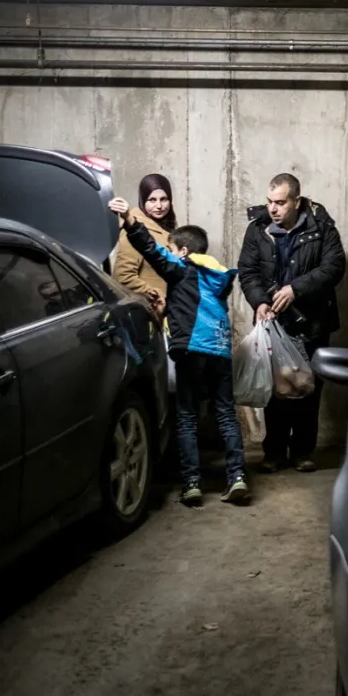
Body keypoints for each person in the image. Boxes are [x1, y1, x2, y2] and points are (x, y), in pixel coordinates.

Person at [109, 197, 250, 506]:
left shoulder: (181, 269)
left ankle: (192, 484)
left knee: (186, 417)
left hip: (191, 349)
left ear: (184, 252)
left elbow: (150, 248)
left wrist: (131, 221)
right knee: (225, 413)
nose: (169, 253)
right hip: (219, 350)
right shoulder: (215, 277)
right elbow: (191, 304)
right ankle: (237, 477)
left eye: (172, 249)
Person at [237, 173, 346, 474]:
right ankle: (273, 453)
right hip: (275, 323)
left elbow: (334, 267)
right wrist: (260, 301)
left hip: (313, 322)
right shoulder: (258, 230)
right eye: (270, 202)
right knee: (275, 390)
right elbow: (247, 271)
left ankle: (302, 453)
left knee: (308, 389)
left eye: (281, 202)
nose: (273, 208)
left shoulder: (322, 227)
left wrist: (296, 289)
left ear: (296, 202)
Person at [113, 173, 178, 317]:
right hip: (149, 313)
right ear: (143, 201)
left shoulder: (168, 226)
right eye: (152, 200)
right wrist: (155, 295)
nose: (159, 206)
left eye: (164, 199)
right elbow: (122, 276)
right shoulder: (134, 229)